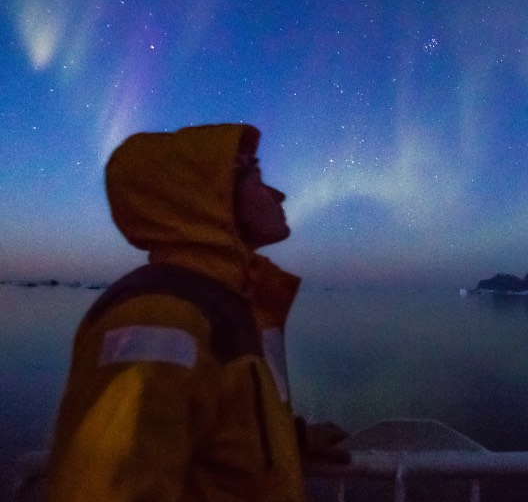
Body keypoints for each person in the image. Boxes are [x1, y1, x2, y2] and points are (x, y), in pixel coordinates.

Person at [46, 123, 348, 502]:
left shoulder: (226, 301)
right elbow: (109, 487)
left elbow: (213, 424)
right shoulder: (159, 316)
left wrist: (289, 441)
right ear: (208, 197)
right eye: (256, 176)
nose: (278, 193)